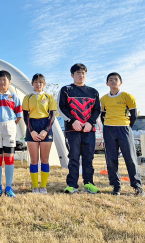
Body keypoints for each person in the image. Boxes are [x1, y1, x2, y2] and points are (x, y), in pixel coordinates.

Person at [58, 63, 101, 194]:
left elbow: (97, 110)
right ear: (72, 75)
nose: (81, 76)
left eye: (83, 73)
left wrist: (90, 123)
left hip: (89, 130)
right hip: (72, 130)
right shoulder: (66, 90)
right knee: (74, 157)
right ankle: (72, 185)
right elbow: (61, 108)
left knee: (89, 158)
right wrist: (72, 121)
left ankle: (88, 183)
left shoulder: (93, 92)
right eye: (78, 73)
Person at [101, 72, 144, 196]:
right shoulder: (103, 99)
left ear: (121, 82)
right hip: (109, 129)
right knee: (111, 159)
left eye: (116, 79)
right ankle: (116, 186)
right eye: (110, 79)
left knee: (130, 158)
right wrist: (108, 125)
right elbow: (103, 115)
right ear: (107, 83)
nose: (113, 81)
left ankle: (137, 186)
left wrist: (127, 127)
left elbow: (134, 115)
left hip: (124, 129)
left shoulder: (127, 96)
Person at [0, 70, 22, 197]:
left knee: (9, 158)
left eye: (5, 80)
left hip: (10, 126)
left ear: (9, 82)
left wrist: (9, 124)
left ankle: (9, 187)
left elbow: (18, 116)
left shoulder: (14, 97)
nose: (2, 82)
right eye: (0, 79)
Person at [22, 73, 57, 194]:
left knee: (45, 159)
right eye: (36, 82)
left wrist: (46, 130)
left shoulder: (49, 97)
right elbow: (25, 115)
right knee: (34, 159)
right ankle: (35, 186)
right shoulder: (28, 97)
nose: (38, 84)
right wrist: (31, 131)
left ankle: (43, 186)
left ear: (44, 84)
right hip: (32, 126)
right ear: (32, 84)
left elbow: (52, 115)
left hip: (45, 126)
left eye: (41, 82)